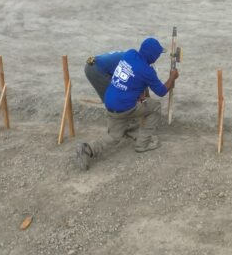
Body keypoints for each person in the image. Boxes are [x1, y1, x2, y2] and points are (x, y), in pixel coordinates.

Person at [74, 37, 178, 170]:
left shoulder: (130, 54)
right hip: (125, 107)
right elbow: (162, 91)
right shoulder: (148, 72)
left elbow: (132, 78)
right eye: (157, 54)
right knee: (155, 106)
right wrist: (172, 77)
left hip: (110, 102)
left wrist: (140, 93)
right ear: (152, 56)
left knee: (114, 137)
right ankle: (143, 143)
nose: (158, 57)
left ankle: (87, 148)